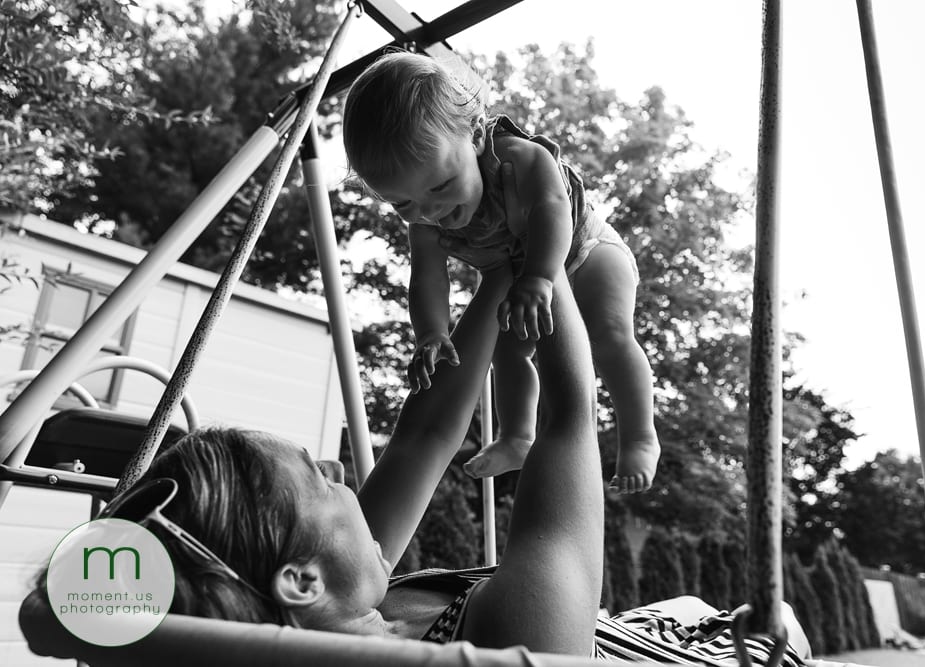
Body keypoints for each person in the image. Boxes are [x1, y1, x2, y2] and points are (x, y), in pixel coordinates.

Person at [90, 175, 809, 663]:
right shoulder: (509, 641)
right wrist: (535, 232)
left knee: (682, 601)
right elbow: (567, 415)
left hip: (662, 625)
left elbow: (428, 434)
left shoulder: (356, 601)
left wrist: (498, 259)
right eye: (317, 476)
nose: (339, 465)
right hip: (741, 652)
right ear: (299, 581)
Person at [341, 51, 659, 493]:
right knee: (507, 353)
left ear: (473, 135)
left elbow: (553, 209)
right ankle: (516, 436)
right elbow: (428, 277)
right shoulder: (426, 218)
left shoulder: (517, 158)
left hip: (587, 251)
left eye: (440, 187)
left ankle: (641, 435)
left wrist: (540, 277)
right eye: (403, 203)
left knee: (610, 336)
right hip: (520, 276)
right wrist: (431, 333)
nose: (430, 211)